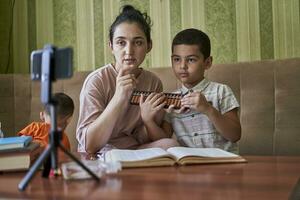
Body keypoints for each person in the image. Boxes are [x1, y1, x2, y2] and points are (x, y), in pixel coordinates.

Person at [76, 5, 178, 154]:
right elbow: (90, 145)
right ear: (111, 46)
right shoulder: (97, 81)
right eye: (121, 42)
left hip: (133, 150)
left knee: (171, 145)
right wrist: (120, 96)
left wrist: (148, 119)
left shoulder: (153, 82)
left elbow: (142, 138)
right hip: (101, 152)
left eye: (138, 42)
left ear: (149, 46)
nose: (129, 51)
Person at [162, 28, 241, 153]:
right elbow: (163, 140)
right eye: (177, 59)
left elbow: (235, 135)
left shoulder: (221, 91)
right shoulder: (171, 100)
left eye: (191, 59)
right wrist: (149, 119)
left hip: (223, 164)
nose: (182, 66)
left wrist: (208, 109)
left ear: (207, 63)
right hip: (188, 164)